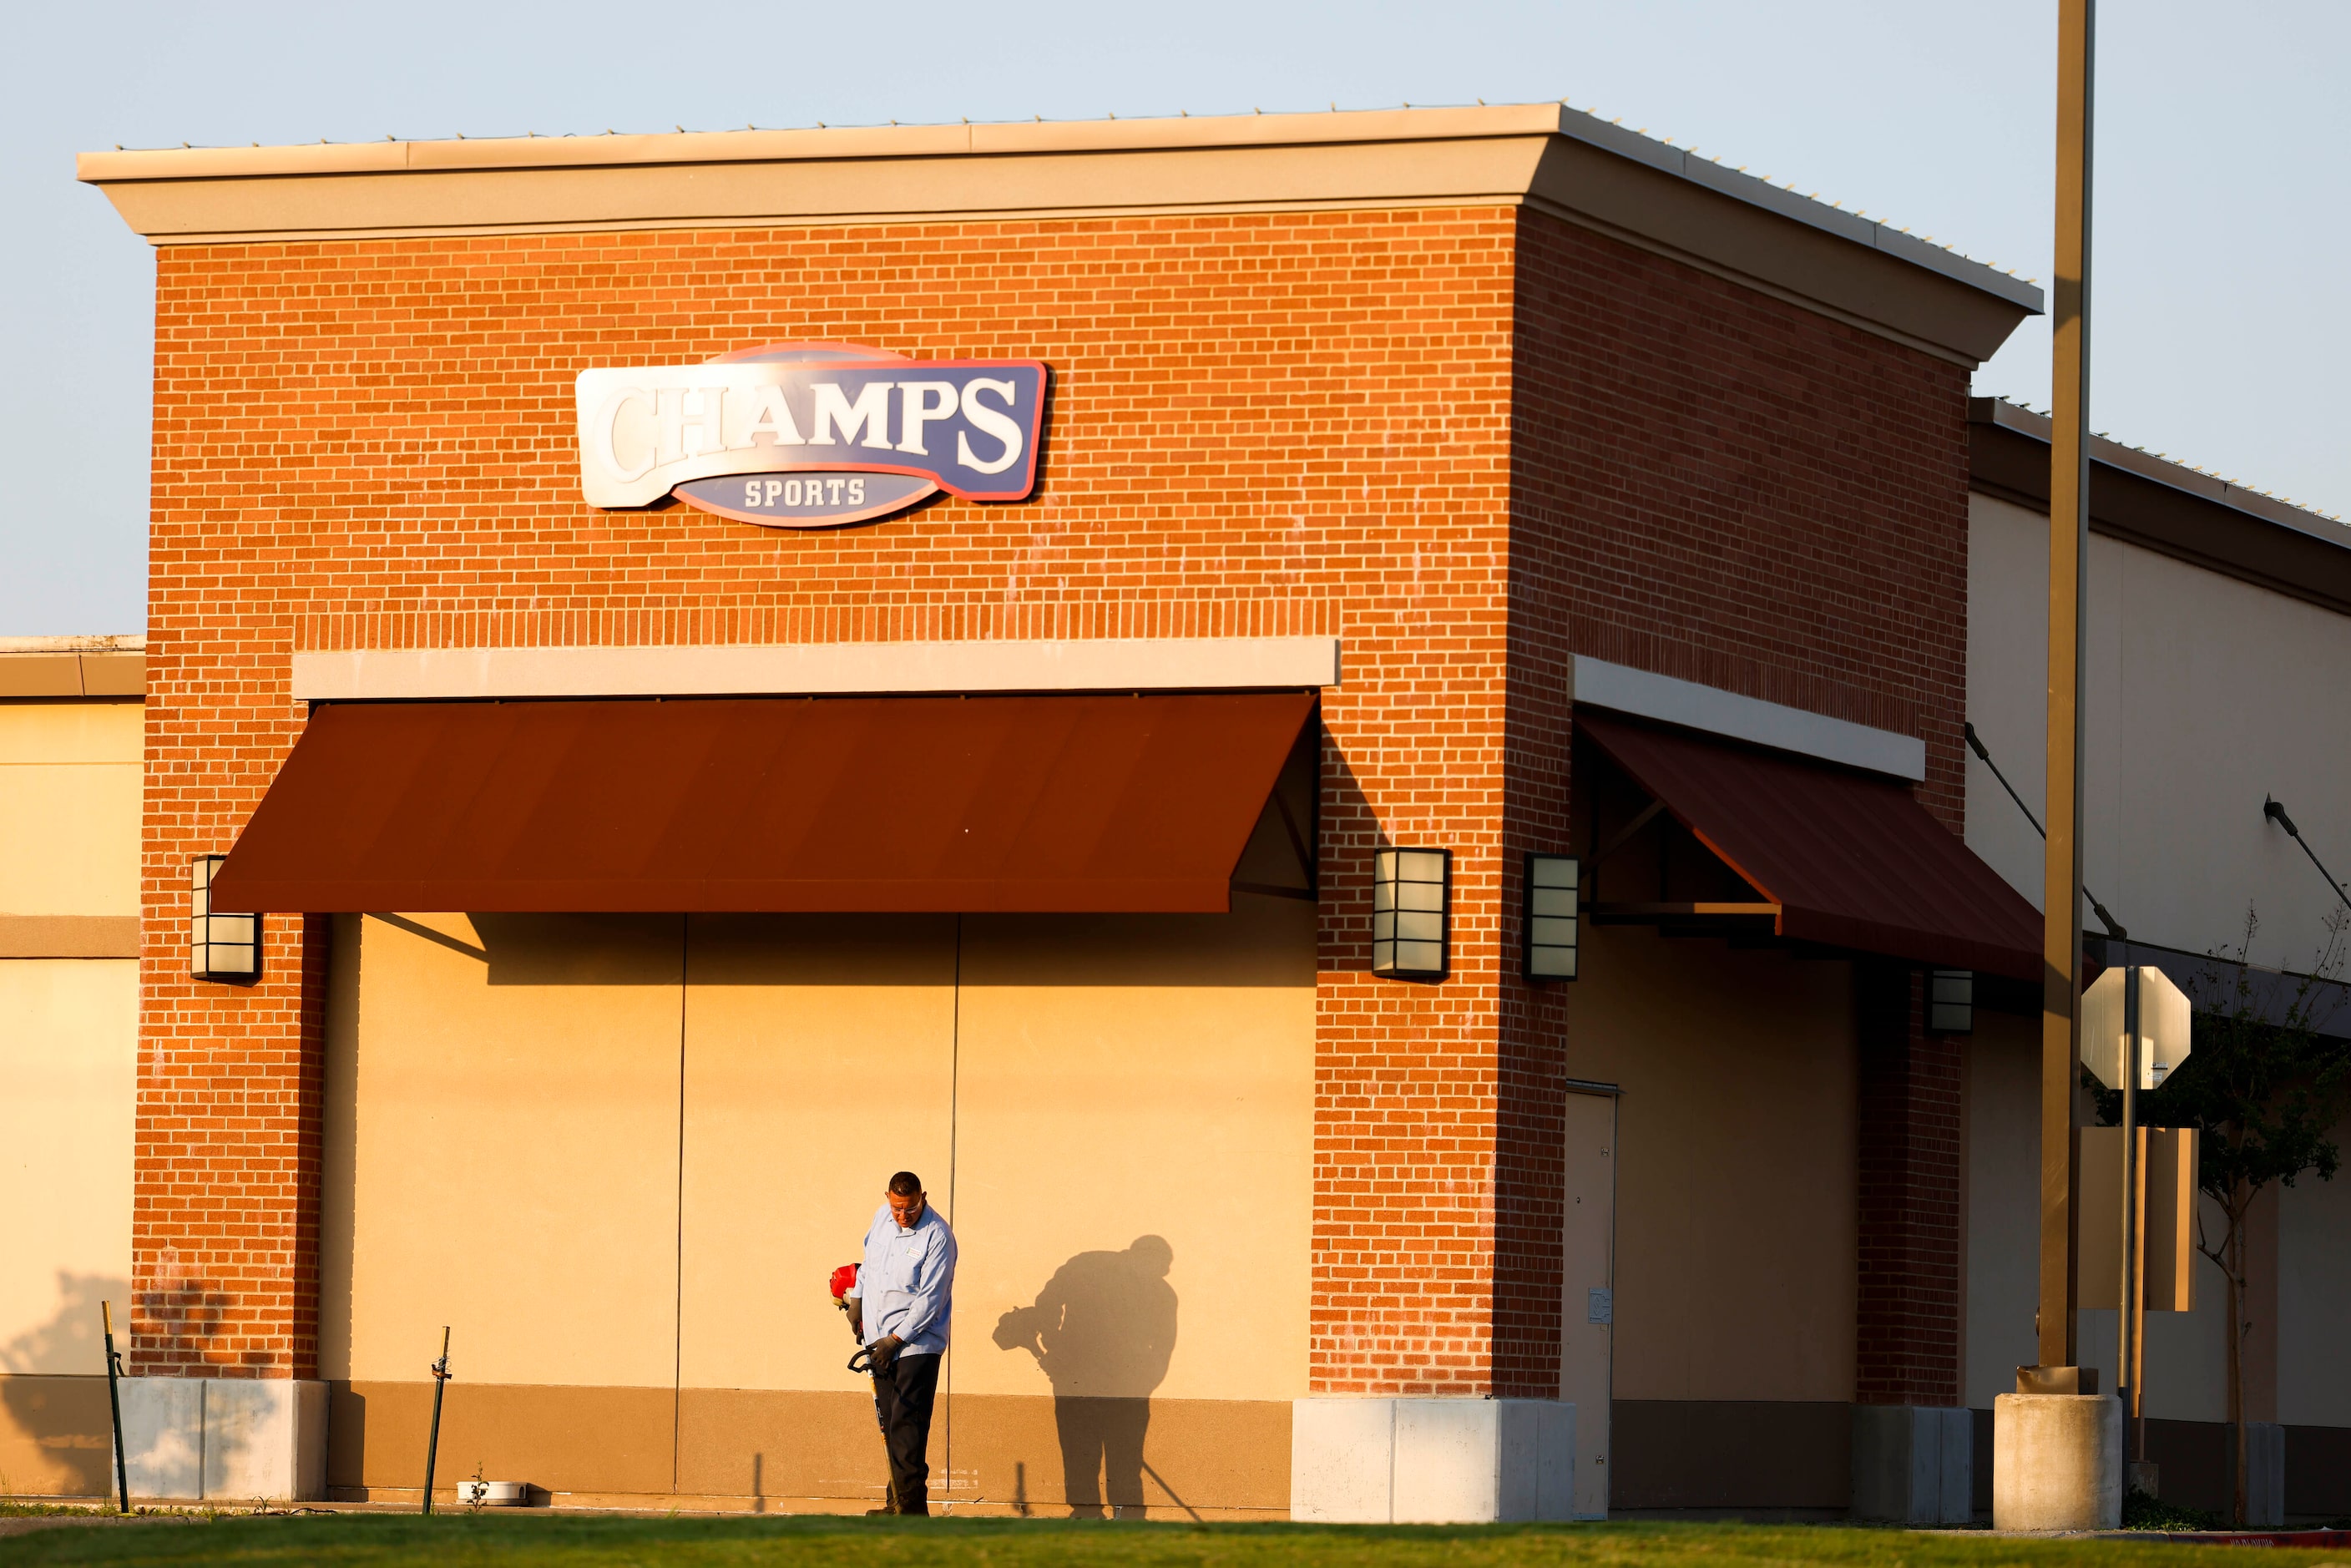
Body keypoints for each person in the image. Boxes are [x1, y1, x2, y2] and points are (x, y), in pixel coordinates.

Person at [842, 1171, 956, 1516]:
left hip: (915, 1345)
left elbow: (930, 1300)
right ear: (887, 1198)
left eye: (909, 1208)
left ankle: (912, 1511)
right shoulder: (881, 1217)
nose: (902, 1216)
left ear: (923, 1197)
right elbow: (869, 1266)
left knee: (908, 1427)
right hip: (878, 1340)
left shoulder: (938, 1237)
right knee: (890, 1425)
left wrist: (895, 1340)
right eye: (896, 1208)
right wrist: (858, 1303)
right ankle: (897, 1503)